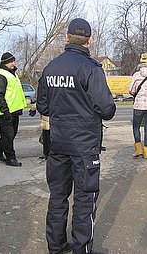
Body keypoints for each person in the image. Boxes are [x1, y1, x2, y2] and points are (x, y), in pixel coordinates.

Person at [37, 18, 116, 254]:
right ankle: (82, 250)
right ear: (89, 40)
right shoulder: (90, 68)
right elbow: (107, 109)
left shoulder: (51, 68)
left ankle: (56, 245)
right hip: (84, 146)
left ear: (67, 38)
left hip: (58, 143)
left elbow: (43, 106)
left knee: (58, 196)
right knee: (84, 199)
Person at [0, 52, 27, 167]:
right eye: (11, 61)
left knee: (10, 134)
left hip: (13, 110)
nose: (13, 63)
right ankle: (10, 158)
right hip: (5, 112)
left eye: (13, 61)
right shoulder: (1, 76)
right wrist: (5, 111)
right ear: (5, 63)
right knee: (8, 135)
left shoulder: (11, 73)